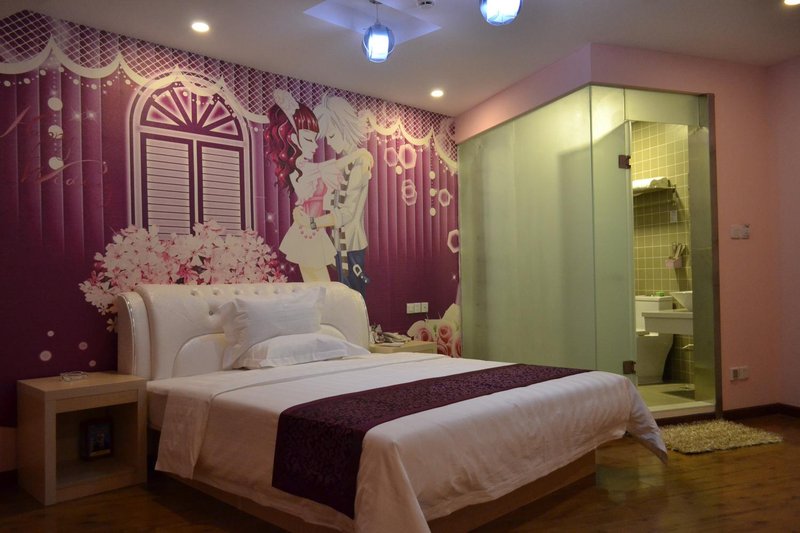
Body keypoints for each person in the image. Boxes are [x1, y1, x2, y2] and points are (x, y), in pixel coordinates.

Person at [294, 94, 372, 298]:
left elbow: (345, 214)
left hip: (351, 245)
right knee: (343, 300)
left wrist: (311, 222)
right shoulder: (350, 161)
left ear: (344, 128)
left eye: (332, 135)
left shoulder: (359, 164)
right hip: (340, 244)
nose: (328, 142)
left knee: (352, 300)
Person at [265, 90, 335, 281]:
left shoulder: (307, 170)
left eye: (314, 139)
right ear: (294, 139)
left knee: (315, 283)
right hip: (309, 231)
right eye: (308, 139)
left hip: (310, 229)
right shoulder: (302, 172)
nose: (315, 146)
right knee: (320, 284)